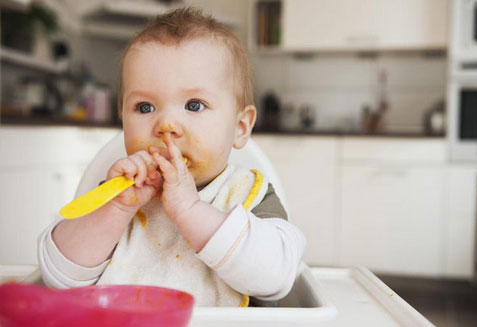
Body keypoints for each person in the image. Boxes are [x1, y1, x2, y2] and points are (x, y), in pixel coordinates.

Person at [38, 7, 306, 307]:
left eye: (194, 105)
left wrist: (190, 210)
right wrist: (114, 210)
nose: (166, 125)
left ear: (240, 127)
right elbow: (57, 277)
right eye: (144, 107)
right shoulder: (116, 197)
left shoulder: (249, 195)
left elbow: (279, 276)